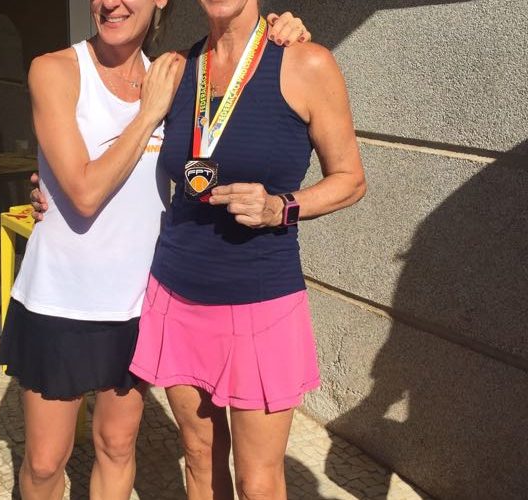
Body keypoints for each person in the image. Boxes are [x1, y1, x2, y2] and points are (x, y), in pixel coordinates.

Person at [0, 2, 311, 499]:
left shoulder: (176, 74)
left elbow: (235, 75)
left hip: (137, 301)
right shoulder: (56, 70)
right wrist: (147, 116)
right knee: (43, 462)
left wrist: (281, 29)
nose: (111, 3)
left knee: (118, 445)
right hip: (60, 299)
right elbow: (83, 193)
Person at [127, 1, 367, 499]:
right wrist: (51, 190)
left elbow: (350, 179)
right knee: (198, 456)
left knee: (257, 481)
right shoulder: (176, 69)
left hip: (260, 300)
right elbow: (122, 143)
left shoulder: (306, 63)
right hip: (176, 294)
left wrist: (282, 207)